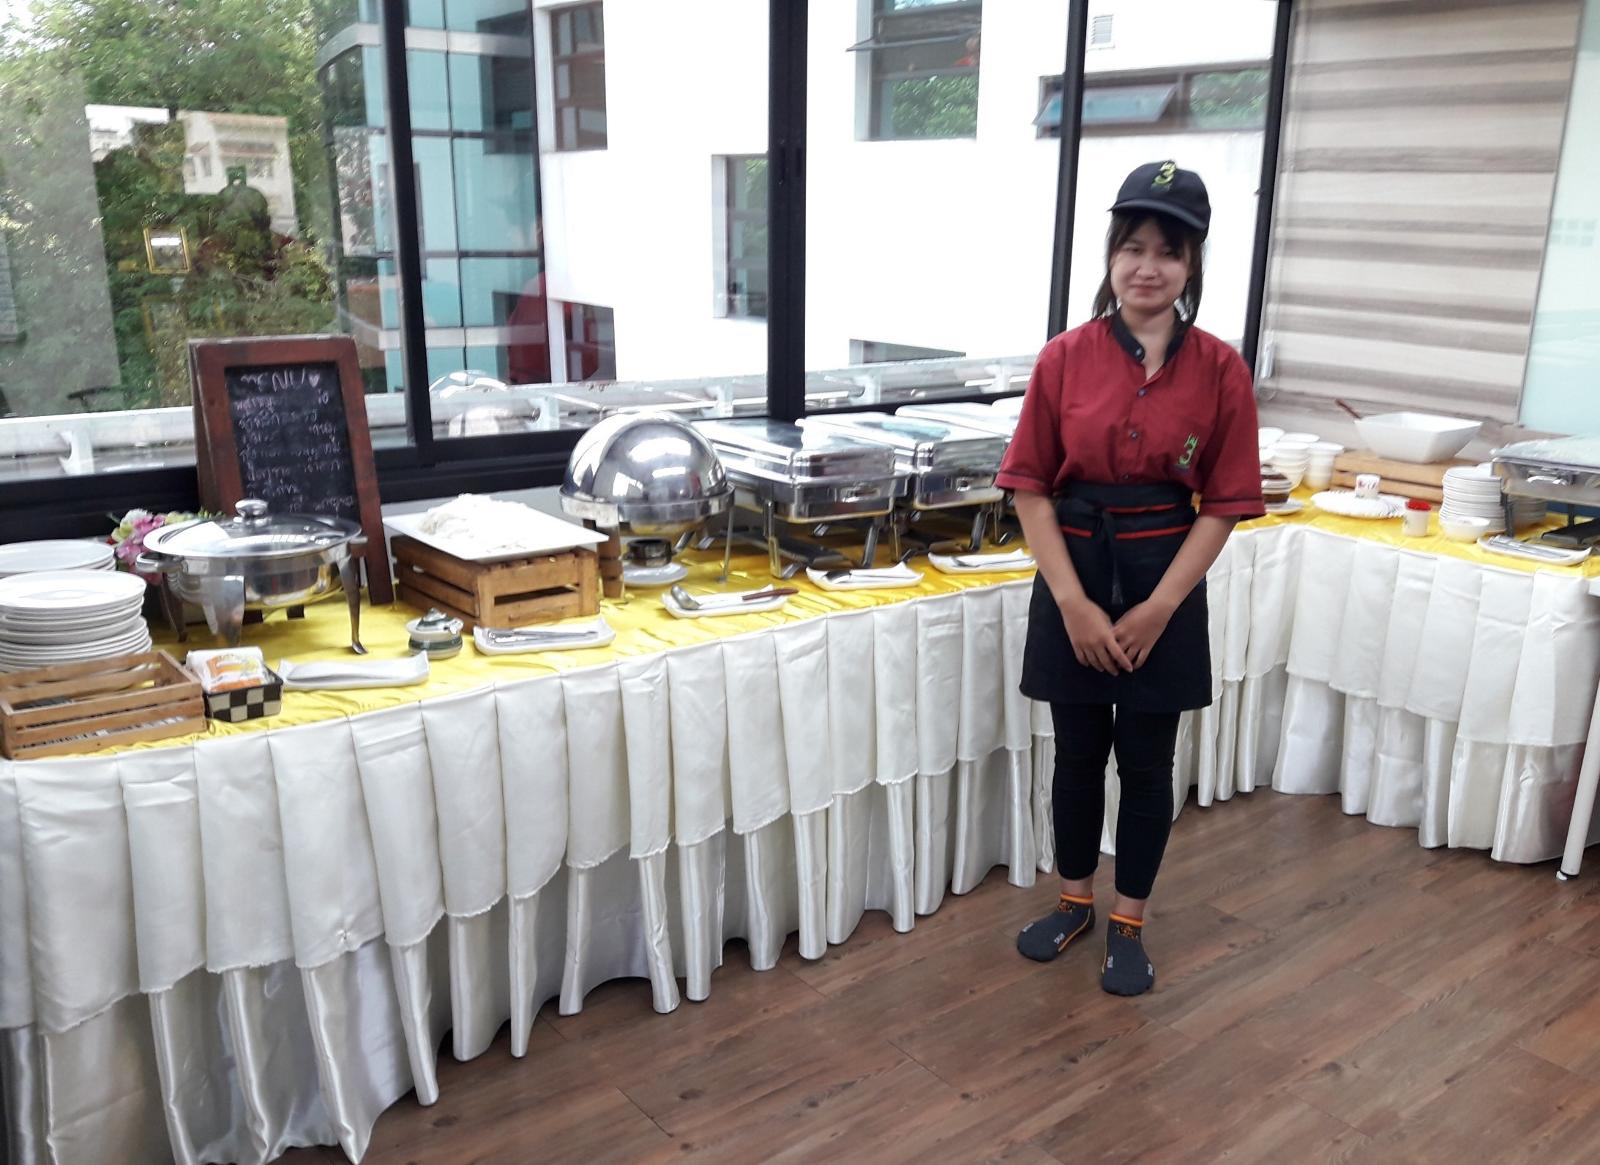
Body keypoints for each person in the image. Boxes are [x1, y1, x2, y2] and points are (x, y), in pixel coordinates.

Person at [997, 160, 1264, 996]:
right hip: (1074, 566)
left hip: (1164, 571)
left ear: (1192, 264)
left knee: (1147, 764)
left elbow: (1224, 503)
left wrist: (1159, 608)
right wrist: (1073, 603)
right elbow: (1030, 487)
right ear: (1112, 255)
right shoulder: (1064, 358)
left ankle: (1129, 921)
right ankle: (1074, 900)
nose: (1148, 266)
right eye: (1133, 247)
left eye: (1168, 251)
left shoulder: (1221, 369)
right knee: (1076, 756)